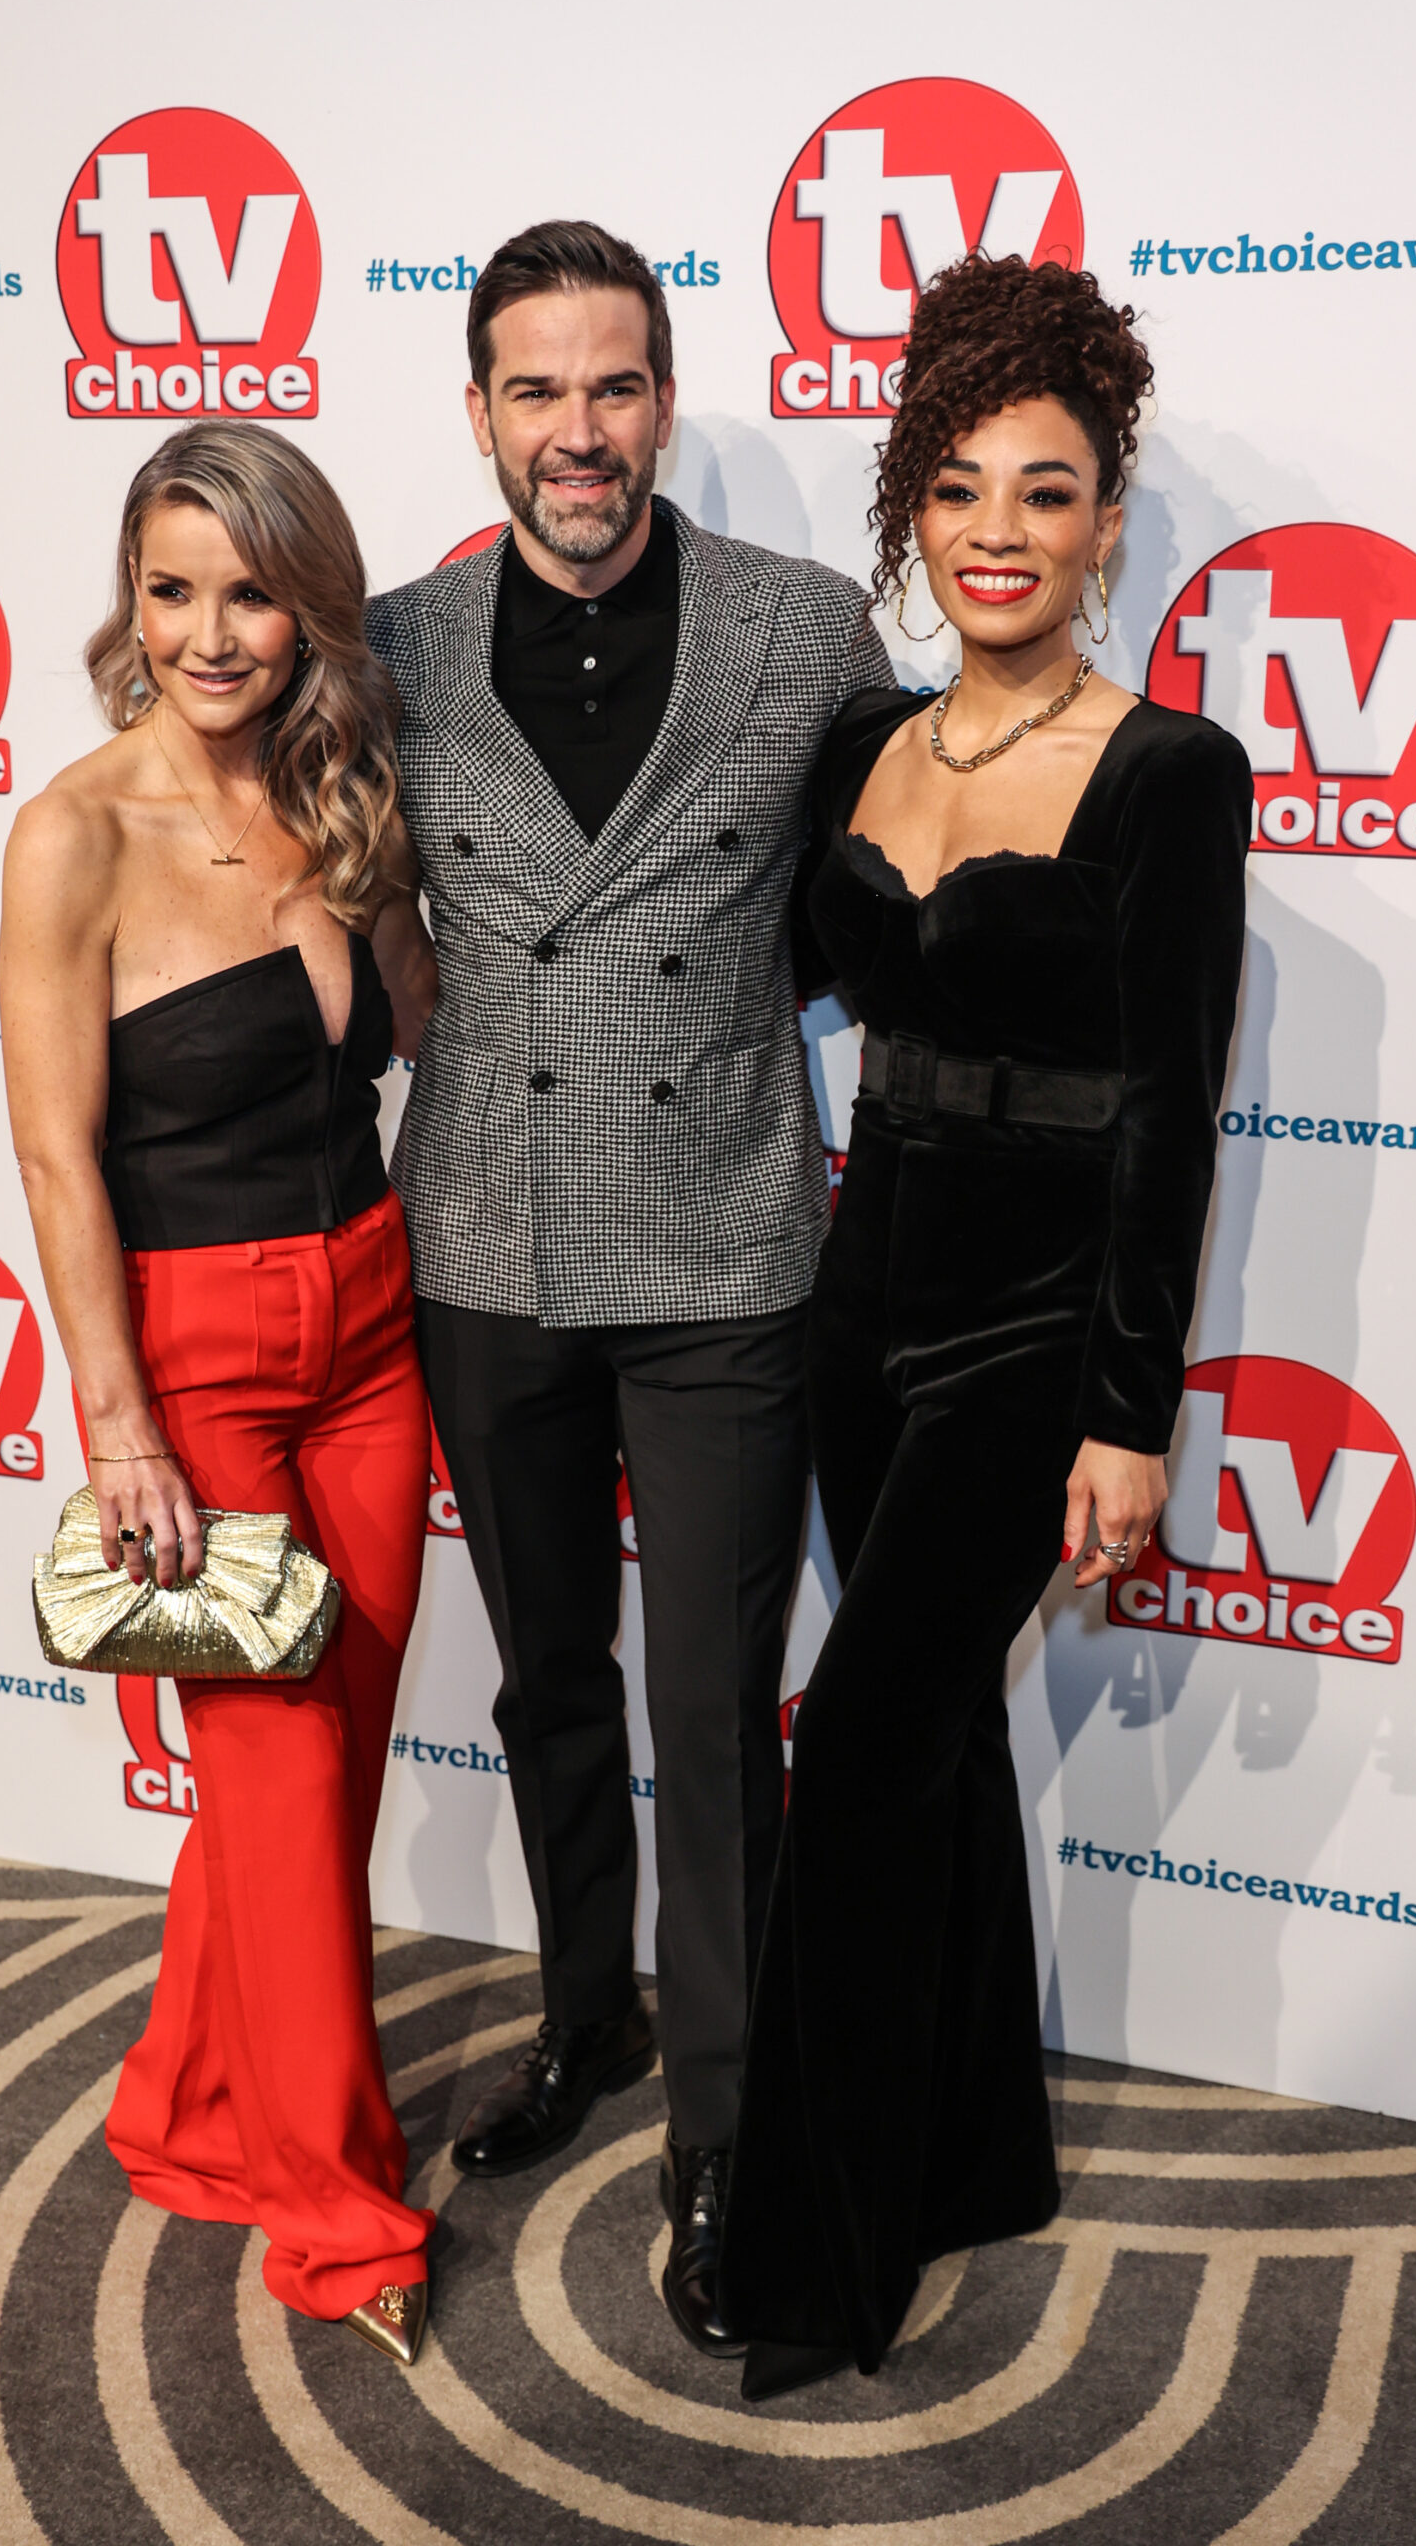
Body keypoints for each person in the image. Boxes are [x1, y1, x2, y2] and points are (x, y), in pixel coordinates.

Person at [720, 254, 1252, 2399]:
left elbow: (1168, 1114)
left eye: (1049, 489)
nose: (1002, 530)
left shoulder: (1172, 771)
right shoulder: (864, 733)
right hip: (864, 1294)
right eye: (960, 489)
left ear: (1113, 519)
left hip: (1034, 1328)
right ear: (911, 518)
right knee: (929, 1758)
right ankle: (975, 2154)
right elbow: (758, 976)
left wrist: (1129, 1415)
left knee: (852, 1745)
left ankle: (809, 2263)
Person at [364, 221, 893, 2358]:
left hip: (723, 1240)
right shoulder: (393, 640)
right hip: (490, 1238)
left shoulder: (806, 626)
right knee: (550, 1682)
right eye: (534, 390)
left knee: (708, 1704)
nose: (577, 433)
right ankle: (586, 2018)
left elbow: (865, 898)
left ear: (663, 399)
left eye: (613, 386)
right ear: (480, 409)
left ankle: (726, 2125)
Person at [0, 421, 440, 2368]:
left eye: (249, 589)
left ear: (305, 602)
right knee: (276, 1785)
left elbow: (419, 1034)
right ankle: (340, 2225)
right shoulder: (72, 831)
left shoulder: (344, 797)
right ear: (131, 596)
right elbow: (54, 1159)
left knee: (310, 1803)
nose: (208, 630)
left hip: (375, 1332)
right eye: (170, 587)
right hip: (200, 1373)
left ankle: (185, 2098)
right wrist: (118, 1431)